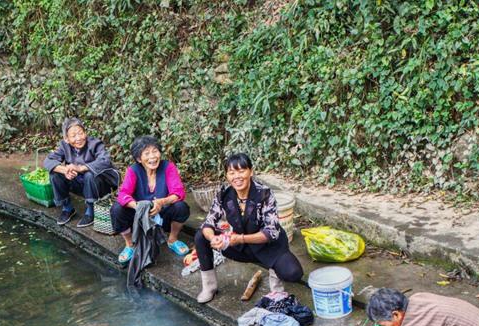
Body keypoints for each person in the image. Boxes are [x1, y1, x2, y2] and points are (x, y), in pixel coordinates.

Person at [194, 153, 304, 303]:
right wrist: (214, 239)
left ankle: (276, 284)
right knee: (201, 236)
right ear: (227, 175)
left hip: (268, 246)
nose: (237, 177)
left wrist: (239, 238)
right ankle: (209, 287)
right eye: (232, 173)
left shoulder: (264, 193)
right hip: (241, 247)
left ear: (251, 172)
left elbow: (271, 232)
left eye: (241, 171)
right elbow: (208, 223)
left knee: (293, 273)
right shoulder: (223, 194)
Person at [111, 136, 191, 264]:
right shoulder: (133, 171)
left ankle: (172, 240)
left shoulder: (168, 167)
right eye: (147, 153)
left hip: (163, 216)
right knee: (117, 209)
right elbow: (123, 194)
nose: (152, 157)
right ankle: (130, 245)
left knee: (181, 207)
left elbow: (178, 192)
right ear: (139, 159)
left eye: (155, 151)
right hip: (139, 220)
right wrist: (137, 207)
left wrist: (161, 202)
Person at [43, 118, 120, 228]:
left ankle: (91, 210)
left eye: (80, 133)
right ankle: (67, 208)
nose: (78, 138)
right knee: (55, 174)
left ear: (85, 133)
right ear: (66, 139)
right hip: (80, 184)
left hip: (99, 186)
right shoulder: (64, 146)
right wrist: (65, 170)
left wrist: (81, 168)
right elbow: (48, 161)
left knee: (89, 174)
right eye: (73, 136)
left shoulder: (95, 144)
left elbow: (105, 161)